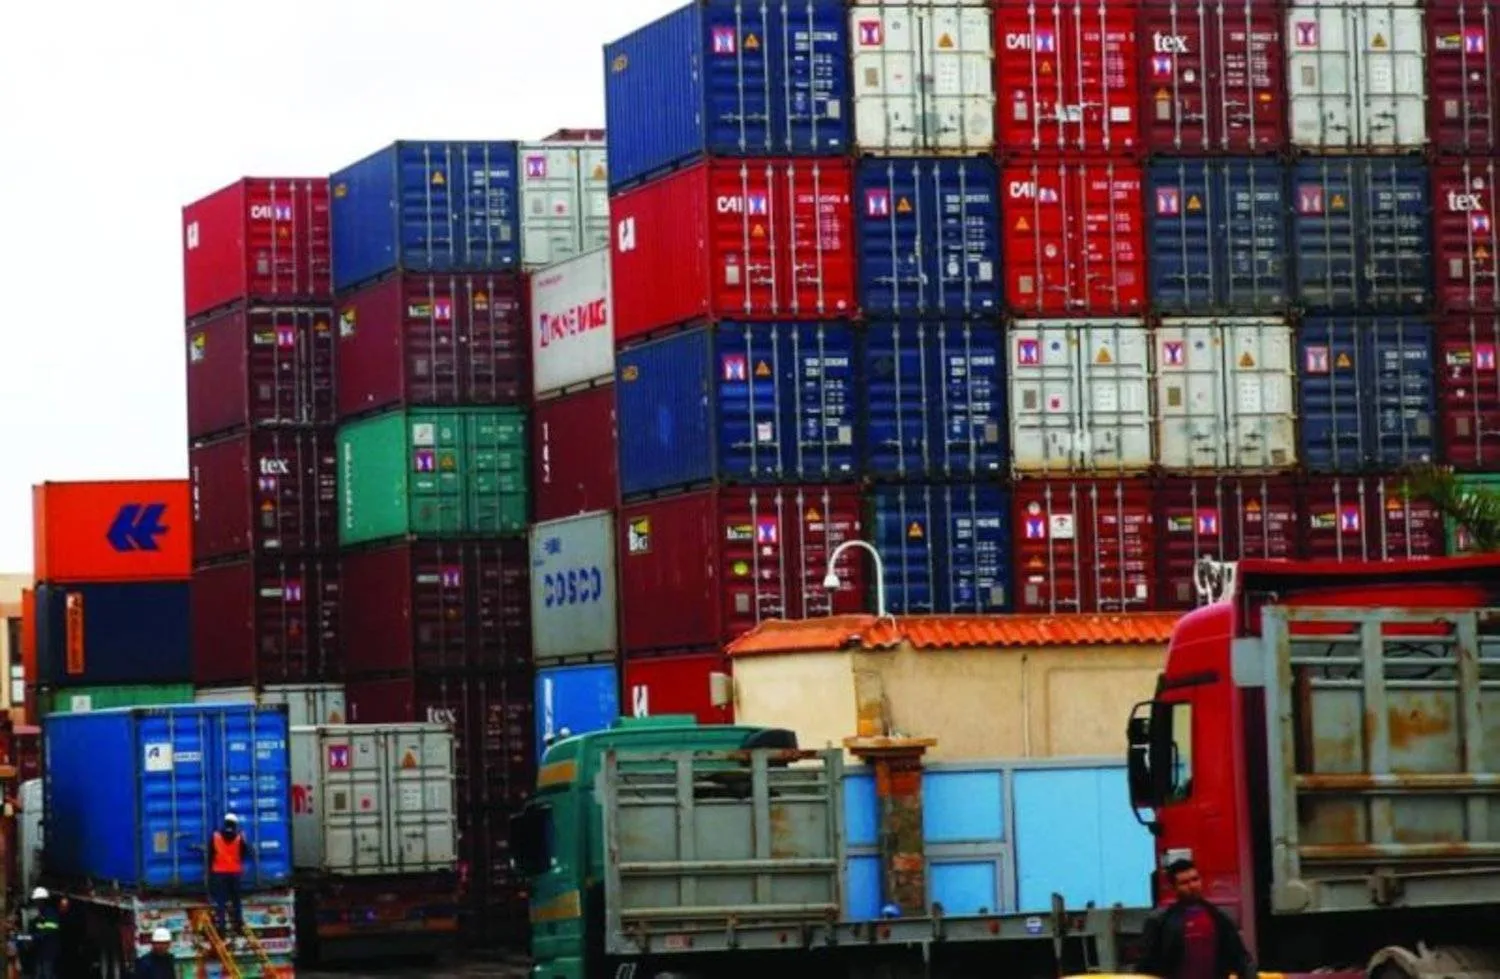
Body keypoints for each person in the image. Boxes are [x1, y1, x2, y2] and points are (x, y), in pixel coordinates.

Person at [1136, 859, 1257, 979]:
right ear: (1174, 887)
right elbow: (1145, 964)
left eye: (1195, 879)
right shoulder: (1160, 921)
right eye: (1184, 883)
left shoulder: (1218, 917)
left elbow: (1241, 958)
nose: (1192, 886)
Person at [207, 813, 254, 935]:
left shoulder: (216, 836)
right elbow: (246, 852)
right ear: (235, 824)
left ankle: (221, 928)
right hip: (234, 873)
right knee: (236, 901)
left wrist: (210, 873)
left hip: (219, 873)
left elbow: (210, 855)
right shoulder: (239, 837)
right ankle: (238, 925)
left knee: (221, 901)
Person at [28, 887, 61, 979]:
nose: (35, 903)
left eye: (36, 900)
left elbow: (46, 932)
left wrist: (27, 938)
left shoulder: (50, 913)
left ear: (42, 900)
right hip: (42, 950)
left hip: (49, 950)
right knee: (40, 973)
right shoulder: (41, 914)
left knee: (47, 973)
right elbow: (37, 929)